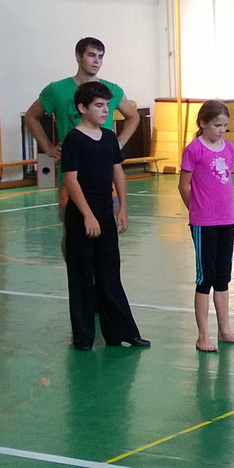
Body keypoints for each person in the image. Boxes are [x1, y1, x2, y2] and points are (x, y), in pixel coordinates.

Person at [62, 81, 150, 350]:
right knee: (81, 275)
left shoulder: (110, 138)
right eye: (99, 106)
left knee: (110, 274)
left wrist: (122, 207)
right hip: (81, 216)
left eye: (107, 106)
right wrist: (87, 215)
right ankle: (84, 337)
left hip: (105, 211)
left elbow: (117, 172)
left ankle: (121, 332)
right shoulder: (74, 140)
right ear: (82, 108)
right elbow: (71, 180)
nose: (105, 111)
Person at [178, 100, 234, 352]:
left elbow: (224, 179)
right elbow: (183, 185)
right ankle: (202, 335)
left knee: (223, 276)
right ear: (203, 123)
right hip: (204, 222)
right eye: (217, 125)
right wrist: (196, 210)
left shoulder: (228, 147)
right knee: (205, 277)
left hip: (226, 218)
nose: (222, 130)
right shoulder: (194, 150)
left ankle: (225, 330)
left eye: (224, 125)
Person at [23, 37, 139, 162]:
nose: (96, 61)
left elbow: (133, 116)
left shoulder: (112, 90)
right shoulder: (56, 90)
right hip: (72, 160)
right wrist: (48, 148)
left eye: (100, 57)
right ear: (78, 56)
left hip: (104, 161)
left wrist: (120, 143)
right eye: (91, 55)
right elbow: (31, 116)